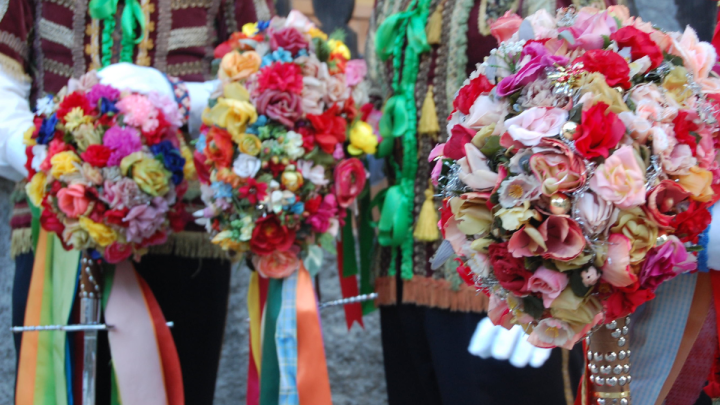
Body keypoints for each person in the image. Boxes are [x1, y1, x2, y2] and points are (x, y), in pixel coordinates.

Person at [0, 0, 273, 403]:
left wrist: (179, 97)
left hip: (182, 231)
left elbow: (263, 68)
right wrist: (51, 162)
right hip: (58, 225)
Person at [366, 1, 625, 404]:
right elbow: (377, 105)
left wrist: (550, 288)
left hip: (511, 281)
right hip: (402, 277)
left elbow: (599, 109)